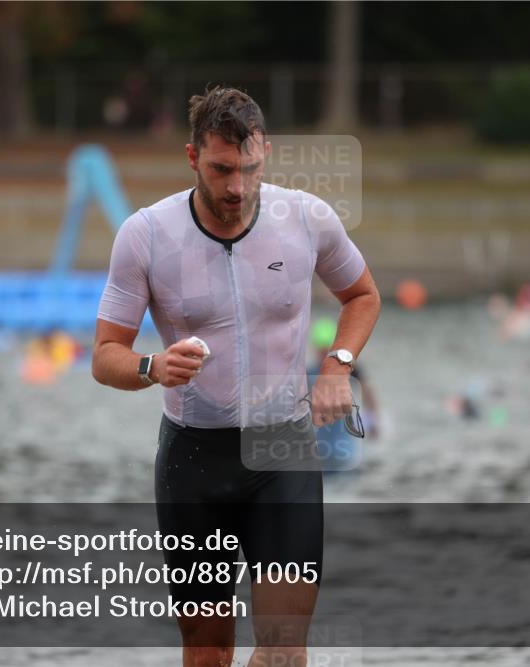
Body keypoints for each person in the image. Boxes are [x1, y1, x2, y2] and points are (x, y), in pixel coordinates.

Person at [91, 86, 380, 667]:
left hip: (283, 451)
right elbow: (104, 355)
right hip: (194, 460)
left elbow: (363, 296)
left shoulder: (305, 218)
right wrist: (151, 367)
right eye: (222, 169)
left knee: (282, 651)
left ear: (264, 153)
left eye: (248, 169)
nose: (236, 188)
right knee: (207, 652)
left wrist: (337, 367)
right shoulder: (147, 235)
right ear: (193, 156)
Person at [306, 317, 381, 472]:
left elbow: (367, 392)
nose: (323, 355)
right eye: (320, 351)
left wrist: (372, 421)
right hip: (321, 448)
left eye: (326, 350)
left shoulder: (350, 369)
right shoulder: (309, 373)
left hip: (346, 450)